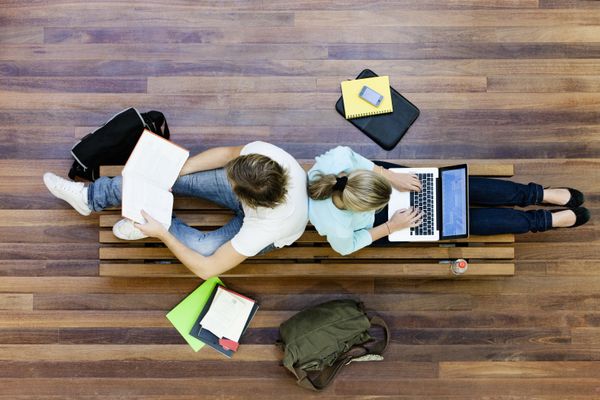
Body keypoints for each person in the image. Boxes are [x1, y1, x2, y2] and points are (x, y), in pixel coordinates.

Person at [43, 141, 308, 279]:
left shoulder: (266, 228)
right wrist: (180, 171)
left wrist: (163, 234)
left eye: (232, 181)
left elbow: (208, 268)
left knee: (204, 249)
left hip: (268, 230)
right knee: (165, 176)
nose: (226, 178)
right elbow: (228, 153)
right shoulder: (266, 157)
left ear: (243, 195)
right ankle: (89, 197)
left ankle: (155, 224)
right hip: (262, 200)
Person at [308, 146, 590, 256]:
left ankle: (537, 194)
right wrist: (391, 227)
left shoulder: (337, 163)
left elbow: (358, 160)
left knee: (455, 189)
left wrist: (391, 177)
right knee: (455, 221)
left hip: (383, 179)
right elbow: (347, 247)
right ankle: (540, 221)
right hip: (383, 224)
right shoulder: (336, 226)